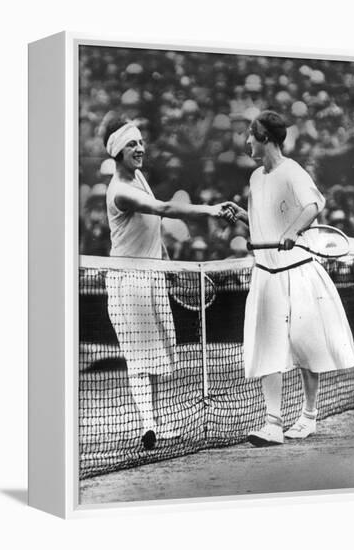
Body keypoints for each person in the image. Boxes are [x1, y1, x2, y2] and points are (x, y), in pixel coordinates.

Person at [103, 120, 236, 450]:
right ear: (118, 152)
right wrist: (210, 209)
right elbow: (162, 207)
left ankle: (156, 424)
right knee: (138, 358)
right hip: (127, 281)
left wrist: (166, 263)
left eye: (141, 143)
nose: (140, 149)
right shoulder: (120, 191)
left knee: (156, 358)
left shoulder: (139, 176)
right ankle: (148, 425)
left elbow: (154, 223)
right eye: (132, 145)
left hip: (152, 275)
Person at [231, 110, 354, 445]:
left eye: (250, 135)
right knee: (267, 347)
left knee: (306, 345)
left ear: (266, 139)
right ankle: (272, 424)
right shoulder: (256, 178)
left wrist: (291, 232)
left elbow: (315, 203)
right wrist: (244, 217)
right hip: (267, 276)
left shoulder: (293, 171)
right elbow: (265, 222)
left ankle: (309, 416)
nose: (246, 142)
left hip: (298, 272)